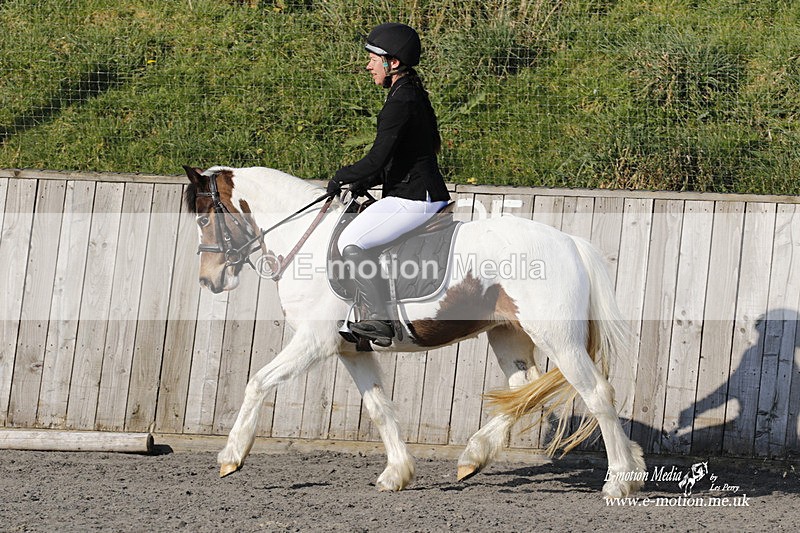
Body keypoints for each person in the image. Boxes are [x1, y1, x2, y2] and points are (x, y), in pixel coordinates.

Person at [327, 22, 450, 345]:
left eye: (373, 58)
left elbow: (377, 159)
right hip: (416, 190)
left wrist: (343, 177)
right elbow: (397, 161)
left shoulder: (400, 101)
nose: (368, 65)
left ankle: (379, 319)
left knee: (351, 241)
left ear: (392, 62)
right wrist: (363, 181)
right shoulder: (408, 92)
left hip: (415, 198)